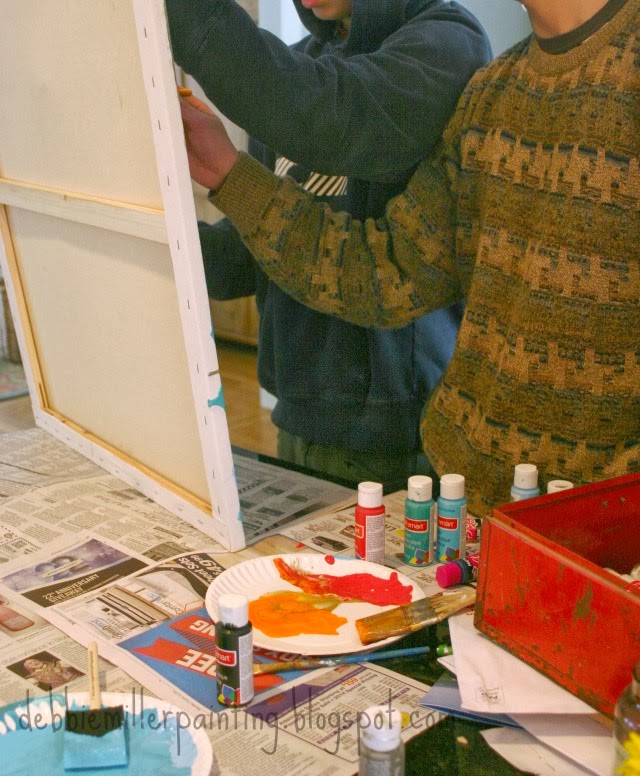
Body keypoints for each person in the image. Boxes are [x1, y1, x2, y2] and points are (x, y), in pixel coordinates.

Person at [178, 0, 640, 518]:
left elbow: (328, 114)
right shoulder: (496, 92)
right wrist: (222, 180)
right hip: (470, 509)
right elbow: (386, 270)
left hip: (603, 531)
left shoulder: (451, 44)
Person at [166, 0, 491, 490]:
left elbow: (333, 117)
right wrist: (155, 231)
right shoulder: (299, 70)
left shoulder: (447, 42)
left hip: (402, 436)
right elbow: (255, 251)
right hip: (299, 415)